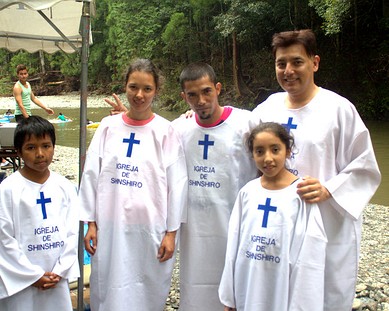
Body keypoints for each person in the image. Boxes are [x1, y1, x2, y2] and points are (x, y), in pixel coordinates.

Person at [106, 62, 257, 310]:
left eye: (207, 91)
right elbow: (148, 140)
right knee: (196, 290)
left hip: (234, 226)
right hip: (195, 233)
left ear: (218, 88)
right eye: (192, 95)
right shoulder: (179, 128)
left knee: (237, 290)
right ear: (183, 96)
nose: (201, 100)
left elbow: (274, 152)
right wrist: (128, 116)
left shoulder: (246, 124)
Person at [250, 29, 381, 310]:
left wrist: (328, 188)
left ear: (315, 62)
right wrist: (191, 118)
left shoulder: (338, 110)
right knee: (277, 293)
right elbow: (237, 141)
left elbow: (366, 167)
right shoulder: (266, 109)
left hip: (327, 224)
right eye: (281, 63)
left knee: (325, 294)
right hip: (277, 223)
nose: (288, 70)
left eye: (297, 62)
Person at [79, 58, 188, 310]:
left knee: (145, 286)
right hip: (111, 226)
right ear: (125, 87)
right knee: (109, 282)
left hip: (150, 228)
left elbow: (177, 184)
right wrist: (91, 223)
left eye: (147, 88)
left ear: (156, 90)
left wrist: (171, 233)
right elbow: (91, 173)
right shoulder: (108, 127)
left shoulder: (165, 131)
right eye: (133, 87)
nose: (139, 95)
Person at [218, 122, 327, 311]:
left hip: (283, 283)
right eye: (259, 151)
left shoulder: (300, 194)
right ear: (252, 155)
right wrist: (229, 297)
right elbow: (233, 245)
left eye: (275, 149)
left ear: (288, 151)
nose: (267, 158)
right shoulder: (248, 192)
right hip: (249, 279)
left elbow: (310, 255)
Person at [0, 116, 79, 311]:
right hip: (21, 280)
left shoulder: (64, 187)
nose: (40, 154)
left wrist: (60, 270)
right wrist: (32, 275)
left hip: (55, 275)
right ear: (18, 151)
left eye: (46, 145)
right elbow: (4, 239)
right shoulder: (8, 189)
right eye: (31, 148)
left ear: (54, 146)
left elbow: (72, 231)